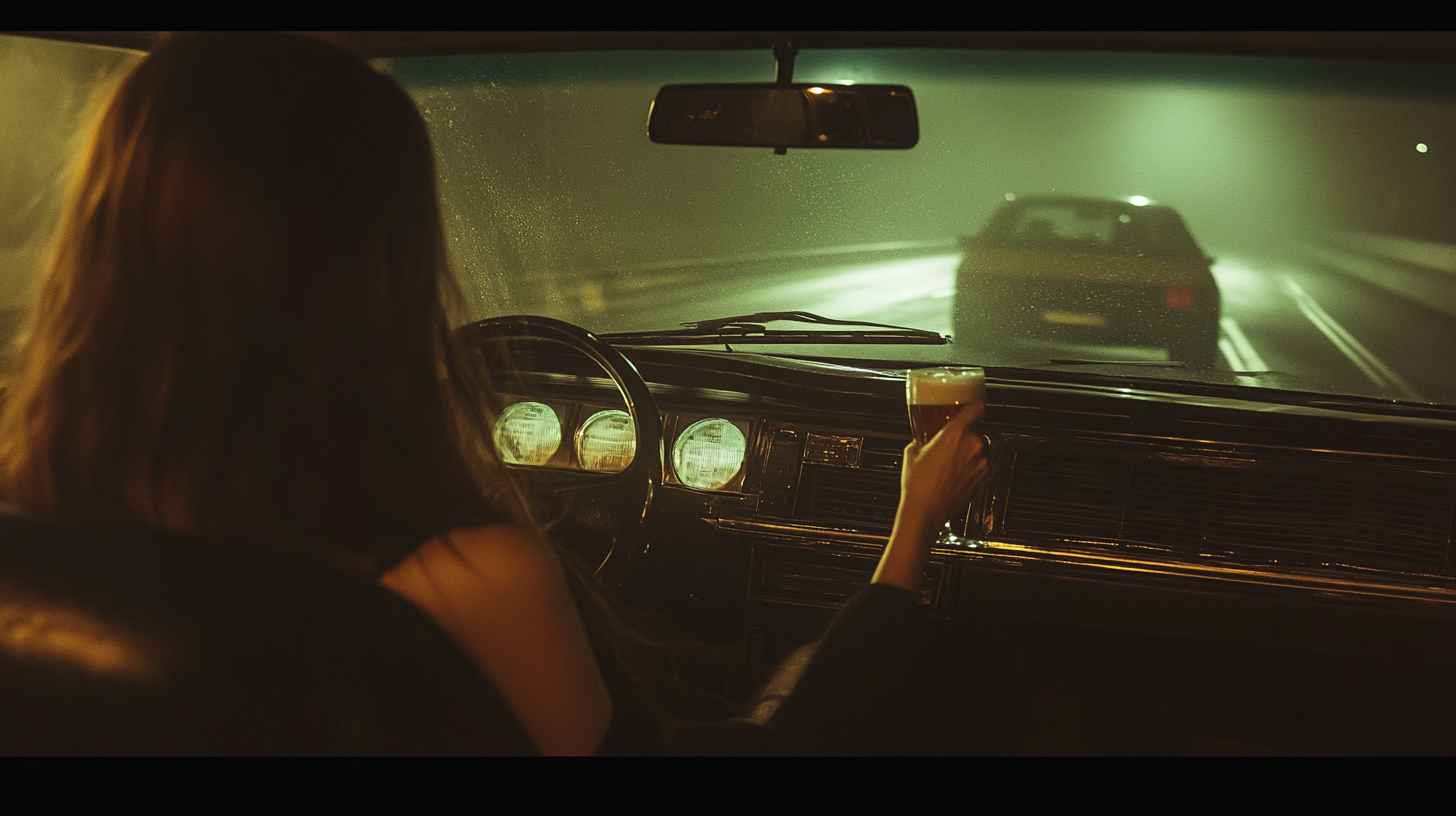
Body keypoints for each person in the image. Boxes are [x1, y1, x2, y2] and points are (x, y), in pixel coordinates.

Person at [0, 32, 988, 755]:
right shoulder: (474, 581)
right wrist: (909, 535)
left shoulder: (34, 527)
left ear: (103, 249)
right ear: (376, 274)